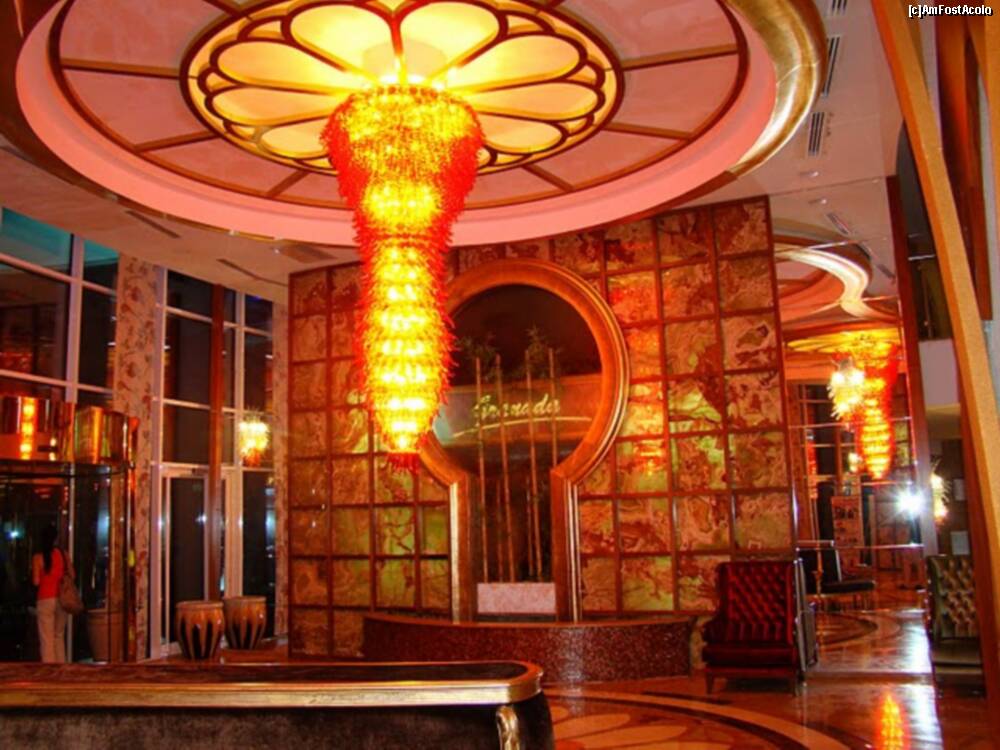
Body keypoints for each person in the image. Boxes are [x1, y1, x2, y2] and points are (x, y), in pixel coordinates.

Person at [31, 524, 73, 663]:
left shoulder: (38, 557)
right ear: (56, 538)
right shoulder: (63, 555)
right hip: (61, 599)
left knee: (46, 638)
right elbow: (72, 575)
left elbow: (36, 581)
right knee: (58, 635)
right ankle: (61, 667)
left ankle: (49, 668)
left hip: (45, 599)